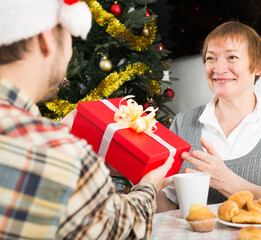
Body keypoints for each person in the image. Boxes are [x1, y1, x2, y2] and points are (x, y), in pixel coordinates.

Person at [0, 0, 173, 239]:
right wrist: (149, 187)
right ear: (46, 39)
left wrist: (58, 130)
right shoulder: (61, 155)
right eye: (70, 38)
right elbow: (123, 230)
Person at [157, 21, 261, 212]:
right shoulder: (182, 123)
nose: (218, 69)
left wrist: (224, 180)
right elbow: (172, 203)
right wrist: (146, 189)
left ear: (258, 66)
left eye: (232, 57)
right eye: (211, 58)